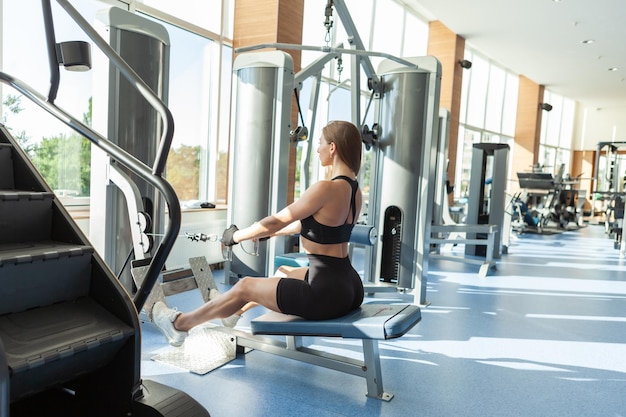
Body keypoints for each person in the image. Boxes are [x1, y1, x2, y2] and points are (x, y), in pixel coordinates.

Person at [153, 120, 365, 347]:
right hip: (349, 286)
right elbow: (311, 226)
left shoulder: (326, 188)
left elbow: (276, 220)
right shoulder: (355, 191)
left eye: (321, 143)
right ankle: (232, 312)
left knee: (245, 287)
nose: (318, 149)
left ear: (332, 148)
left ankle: (179, 324)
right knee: (283, 272)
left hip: (323, 293)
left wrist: (236, 236)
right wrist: (264, 235)